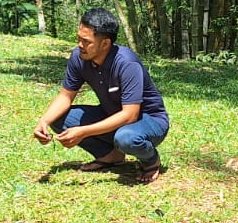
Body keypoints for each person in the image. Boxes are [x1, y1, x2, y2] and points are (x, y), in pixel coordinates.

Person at [32, 9, 170, 184]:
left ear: (105, 43)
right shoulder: (79, 57)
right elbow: (65, 96)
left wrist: (83, 132)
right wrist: (43, 122)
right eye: (79, 38)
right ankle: (111, 156)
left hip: (148, 120)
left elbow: (130, 115)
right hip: (112, 115)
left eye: (86, 41)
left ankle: (151, 160)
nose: (80, 45)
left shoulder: (126, 63)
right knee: (58, 118)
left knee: (126, 138)